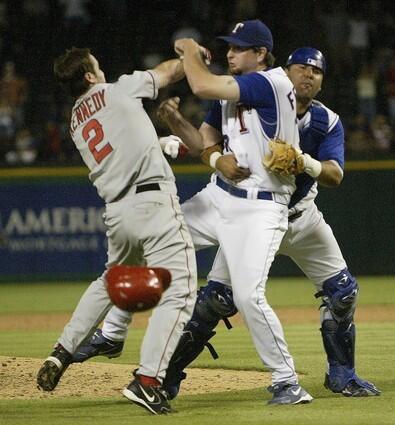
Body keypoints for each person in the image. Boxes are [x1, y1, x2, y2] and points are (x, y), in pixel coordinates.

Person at [73, 20, 314, 405]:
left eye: (238, 48)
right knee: (151, 243)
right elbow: (204, 144)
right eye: (229, 47)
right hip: (219, 197)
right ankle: (112, 334)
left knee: (249, 297)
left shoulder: (271, 81)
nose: (230, 53)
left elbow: (201, 84)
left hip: (260, 208)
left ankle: (287, 381)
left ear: (261, 54)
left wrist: (186, 49)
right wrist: (181, 127)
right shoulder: (232, 90)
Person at [161, 48, 381, 399]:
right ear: (284, 71)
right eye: (301, 68)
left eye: (317, 71)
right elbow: (207, 143)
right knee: (217, 300)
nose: (308, 75)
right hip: (253, 215)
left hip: (301, 218)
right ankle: (168, 375)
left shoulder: (327, 121)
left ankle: (342, 375)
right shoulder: (250, 102)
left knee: (343, 294)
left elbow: (335, 174)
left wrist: (304, 163)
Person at [36, 47, 198, 415]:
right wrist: (191, 53)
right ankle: (148, 381)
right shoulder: (118, 89)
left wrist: (157, 145)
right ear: (90, 77)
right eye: (97, 64)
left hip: (118, 211)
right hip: (153, 202)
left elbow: (121, 148)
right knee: (182, 290)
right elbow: (169, 72)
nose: (102, 67)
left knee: (111, 280)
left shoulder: (76, 121)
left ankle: (62, 350)